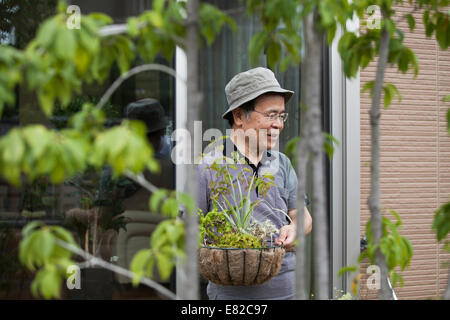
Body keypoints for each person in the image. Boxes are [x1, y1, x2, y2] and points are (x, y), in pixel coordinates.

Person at [197, 67, 312, 300]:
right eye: (270, 115)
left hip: (287, 287)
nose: (278, 124)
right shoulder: (208, 167)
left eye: (281, 116)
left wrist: (295, 229)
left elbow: (303, 216)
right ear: (239, 116)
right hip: (232, 295)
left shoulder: (282, 163)